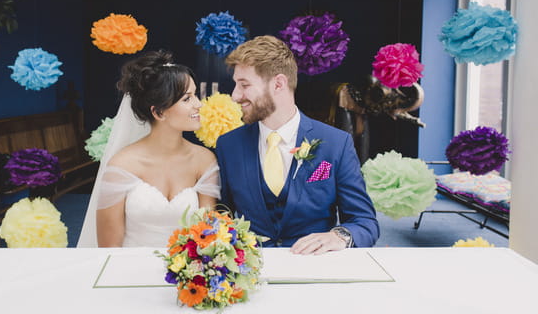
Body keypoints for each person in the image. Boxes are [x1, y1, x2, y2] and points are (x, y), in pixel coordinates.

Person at [216, 35, 379, 254]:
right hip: (250, 273)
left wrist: (338, 236)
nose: (235, 96)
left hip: (314, 270)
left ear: (278, 84)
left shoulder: (336, 144)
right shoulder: (229, 145)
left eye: (244, 85)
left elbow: (364, 221)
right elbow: (221, 214)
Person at [77, 51, 220, 247]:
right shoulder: (122, 165)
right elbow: (108, 246)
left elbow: (209, 234)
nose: (198, 105)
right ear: (159, 112)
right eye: (187, 99)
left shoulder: (204, 160)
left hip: (188, 274)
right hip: (131, 272)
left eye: (195, 95)